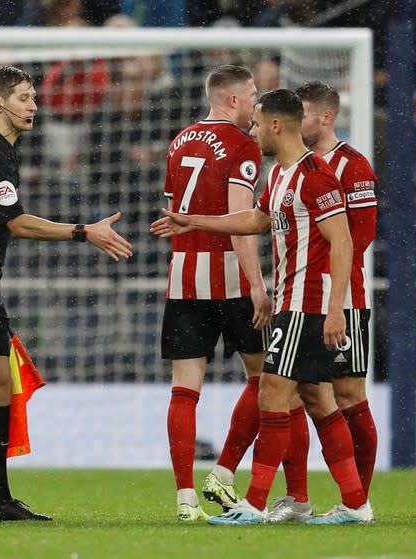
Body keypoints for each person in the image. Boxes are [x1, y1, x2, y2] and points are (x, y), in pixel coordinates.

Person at [151, 88, 373, 525]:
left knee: (274, 391)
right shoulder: (279, 177)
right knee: (315, 398)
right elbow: (255, 220)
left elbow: (344, 240)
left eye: (255, 123)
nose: (251, 130)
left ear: (275, 124)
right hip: (292, 302)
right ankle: (353, 503)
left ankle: (253, 505)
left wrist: (333, 310)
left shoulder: (317, 175)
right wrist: (193, 220)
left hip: (308, 304)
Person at [0, 65, 132, 521]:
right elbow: (18, 223)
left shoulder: (2, 151)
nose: (34, 106)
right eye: (23, 98)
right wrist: (82, 232)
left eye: (34, 97)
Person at [147, 64, 271, 522]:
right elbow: (241, 222)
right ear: (234, 100)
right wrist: (258, 285)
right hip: (232, 277)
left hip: (183, 275)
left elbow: (175, 211)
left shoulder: (179, 141)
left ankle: (184, 500)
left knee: (184, 390)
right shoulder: (243, 146)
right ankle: (223, 471)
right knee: (265, 380)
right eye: (253, 95)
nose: (257, 103)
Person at [258, 80, 379, 522]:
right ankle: (300, 497)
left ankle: (357, 499)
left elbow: (358, 238)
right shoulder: (286, 172)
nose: (295, 120)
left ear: (325, 117)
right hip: (300, 297)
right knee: (297, 395)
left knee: (346, 395)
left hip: (341, 299)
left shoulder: (352, 167)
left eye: (304, 113)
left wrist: (328, 297)